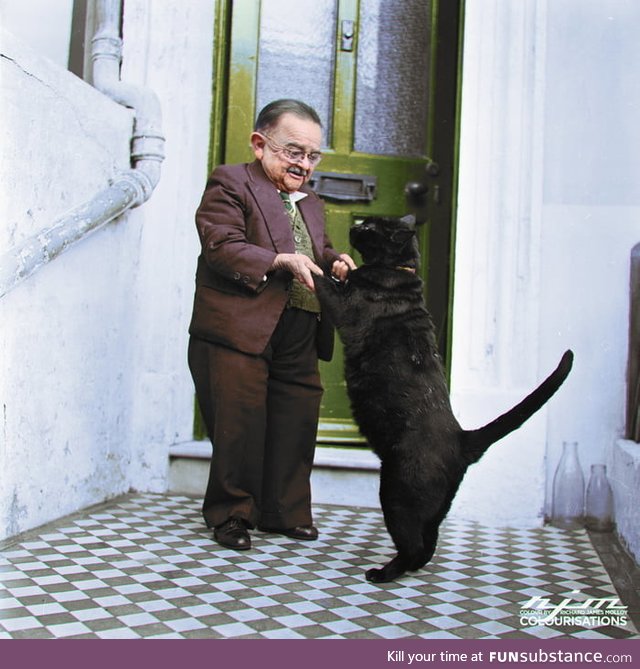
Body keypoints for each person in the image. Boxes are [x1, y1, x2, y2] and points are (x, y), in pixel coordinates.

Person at [188, 99, 356, 551]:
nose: (304, 163)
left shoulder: (312, 202)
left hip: (299, 325)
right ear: (260, 144)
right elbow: (221, 245)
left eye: (312, 155)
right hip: (239, 327)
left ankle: (284, 512)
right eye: (293, 151)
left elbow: (314, 247)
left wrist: (335, 261)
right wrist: (277, 260)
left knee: (295, 419)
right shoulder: (232, 182)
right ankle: (232, 514)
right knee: (239, 422)